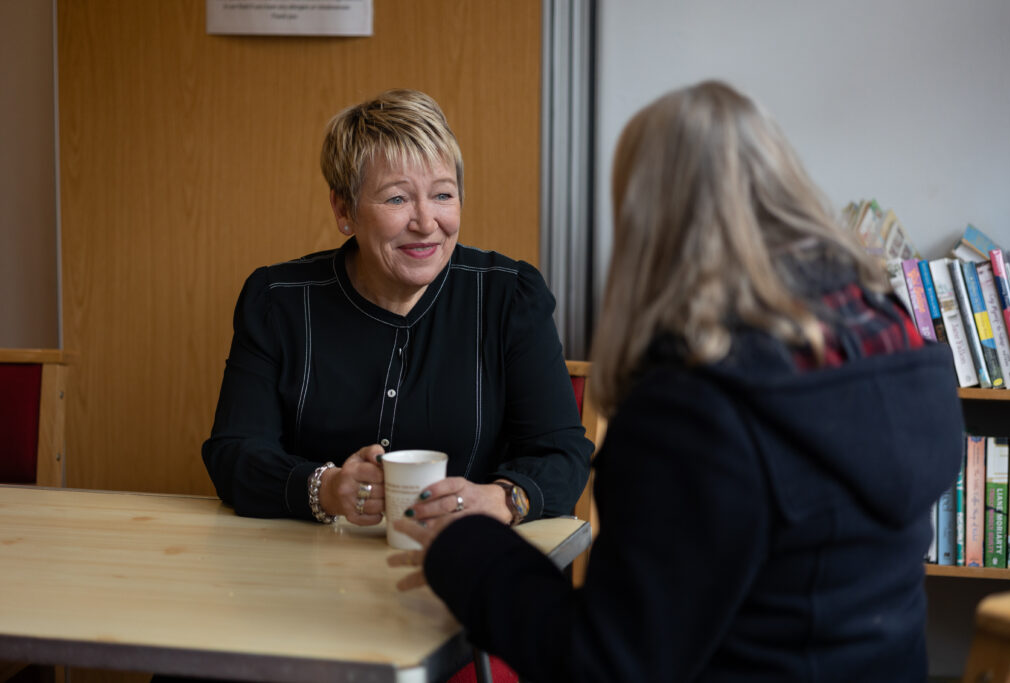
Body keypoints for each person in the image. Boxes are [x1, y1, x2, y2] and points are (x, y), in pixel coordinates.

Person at [389, 81, 965, 682]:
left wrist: (467, 550)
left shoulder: (696, 407)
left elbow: (607, 663)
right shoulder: (893, 338)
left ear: (646, 218)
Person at [202, 89, 591, 536]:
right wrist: (327, 488)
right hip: (310, 566)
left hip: (466, 563)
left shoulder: (509, 296)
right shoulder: (278, 301)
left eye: (443, 195)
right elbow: (234, 452)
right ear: (344, 209)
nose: (426, 222)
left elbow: (562, 453)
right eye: (396, 199)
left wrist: (501, 499)